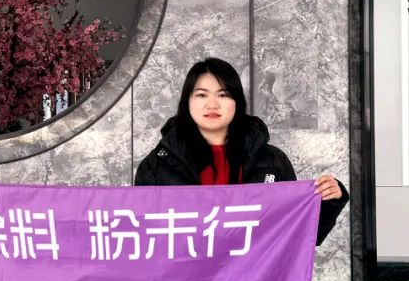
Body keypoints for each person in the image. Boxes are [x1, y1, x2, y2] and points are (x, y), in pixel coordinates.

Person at [134, 57, 348, 244]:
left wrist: (329, 200)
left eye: (223, 95)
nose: (212, 104)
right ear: (187, 102)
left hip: (255, 279)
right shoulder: (157, 165)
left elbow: (297, 234)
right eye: (201, 95)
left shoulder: (272, 161)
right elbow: (143, 238)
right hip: (187, 277)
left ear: (237, 102)